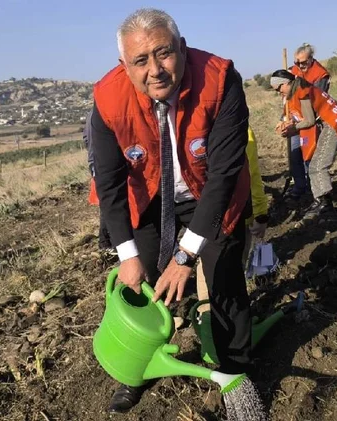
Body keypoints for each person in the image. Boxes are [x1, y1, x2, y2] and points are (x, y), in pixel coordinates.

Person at [91, 8, 253, 413]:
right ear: (123, 66)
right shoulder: (108, 99)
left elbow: (223, 176)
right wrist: (126, 255)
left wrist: (185, 256)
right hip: (149, 200)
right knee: (139, 289)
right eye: (140, 61)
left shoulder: (220, 80)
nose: (155, 70)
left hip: (210, 195)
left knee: (224, 284)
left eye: (163, 54)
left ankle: (235, 374)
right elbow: (109, 186)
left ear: (181, 48)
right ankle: (134, 372)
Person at [196, 126, 269, 314]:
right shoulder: (242, 131)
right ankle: (229, 316)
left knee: (206, 265)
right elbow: (251, 175)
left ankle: (207, 316)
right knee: (235, 267)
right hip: (236, 215)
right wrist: (260, 213)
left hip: (204, 215)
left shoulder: (194, 127)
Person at [271, 70, 337, 221]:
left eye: (279, 89)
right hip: (330, 123)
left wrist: (292, 129)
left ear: (285, 83)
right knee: (316, 165)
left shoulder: (302, 91)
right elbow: (306, 117)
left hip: (332, 125)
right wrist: (290, 124)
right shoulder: (300, 88)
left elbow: (309, 121)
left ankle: (324, 203)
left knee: (317, 166)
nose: (279, 93)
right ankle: (322, 201)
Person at [283, 43, 333, 202]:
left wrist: (302, 118)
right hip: (295, 119)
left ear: (311, 59)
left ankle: (317, 191)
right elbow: (288, 95)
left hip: (312, 121)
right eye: (297, 62)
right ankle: (299, 186)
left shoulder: (320, 74)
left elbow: (316, 99)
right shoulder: (294, 70)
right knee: (294, 154)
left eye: (303, 62)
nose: (300, 66)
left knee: (309, 154)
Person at [83, 108, 113, 250]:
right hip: (104, 165)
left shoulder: (91, 115)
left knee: (105, 202)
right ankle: (106, 242)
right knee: (110, 202)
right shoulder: (106, 112)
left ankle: (105, 241)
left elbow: (86, 139)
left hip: (95, 164)